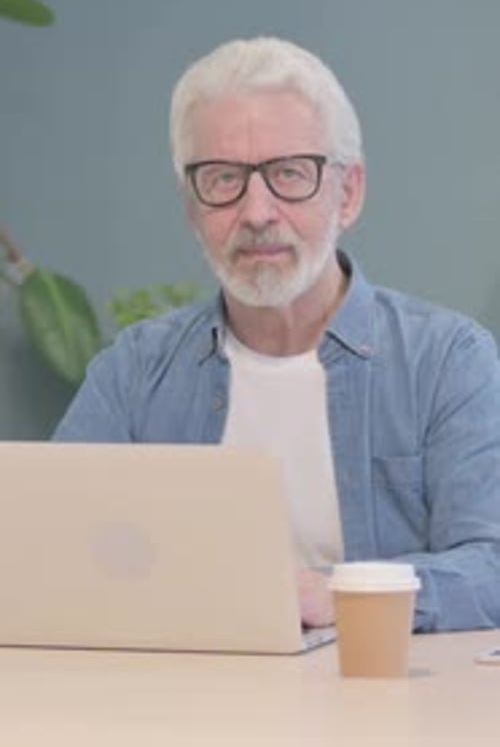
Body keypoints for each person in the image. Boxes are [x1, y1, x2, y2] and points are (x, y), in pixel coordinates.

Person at [53, 36, 500, 633]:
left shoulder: (447, 361)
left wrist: (337, 596)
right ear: (192, 208)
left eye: (290, 174)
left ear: (349, 194)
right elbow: (46, 547)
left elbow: (491, 565)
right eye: (222, 179)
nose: (257, 211)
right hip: (180, 704)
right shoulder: (133, 373)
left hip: (381, 706)